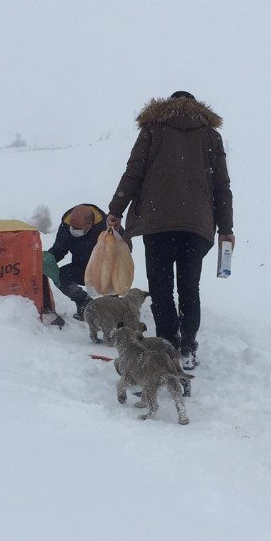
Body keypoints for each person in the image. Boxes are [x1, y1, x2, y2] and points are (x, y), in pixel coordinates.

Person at [106, 91, 235, 369]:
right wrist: (226, 228)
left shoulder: (152, 129)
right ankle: (187, 348)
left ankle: (166, 347)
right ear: (196, 107)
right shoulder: (210, 136)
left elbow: (134, 172)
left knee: (161, 289)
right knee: (189, 288)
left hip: (158, 222)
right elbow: (222, 186)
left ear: (166, 106)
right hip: (196, 226)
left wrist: (115, 209)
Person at [43, 203, 106, 320]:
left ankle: (113, 310)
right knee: (62, 276)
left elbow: (124, 247)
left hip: (105, 269)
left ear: (90, 224)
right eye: (72, 227)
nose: (73, 231)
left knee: (112, 284)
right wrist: (48, 259)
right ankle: (84, 303)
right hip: (80, 267)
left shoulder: (106, 226)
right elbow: (60, 249)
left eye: (78, 229)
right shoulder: (66, 227)